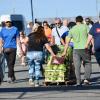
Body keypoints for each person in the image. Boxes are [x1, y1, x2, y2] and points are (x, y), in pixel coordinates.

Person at [62, 16, 92, 86]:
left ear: (76, 21)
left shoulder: (72, 29)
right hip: (85, 48)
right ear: (82, 21)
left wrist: (64, 51)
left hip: (76, 49)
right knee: (87, 63)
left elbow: (67, 42)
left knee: (77, 66)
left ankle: (78, 82)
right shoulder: (85, 27)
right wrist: (92, 46)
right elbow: (90, 37)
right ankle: (86, 80)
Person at [0, 17, 23, 83]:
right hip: (5, 48)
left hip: (13, 48)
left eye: (9, 22)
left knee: (11, 63)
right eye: (7, 22)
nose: (8, 23)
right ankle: (12, 76)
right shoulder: (3, 30)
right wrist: (0, 49)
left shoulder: (15, 29)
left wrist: (20, 49)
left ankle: (10, 77)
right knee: (8, 63)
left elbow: (18, 39)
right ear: (5, 23)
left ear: (11, 22)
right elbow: (1, 40)